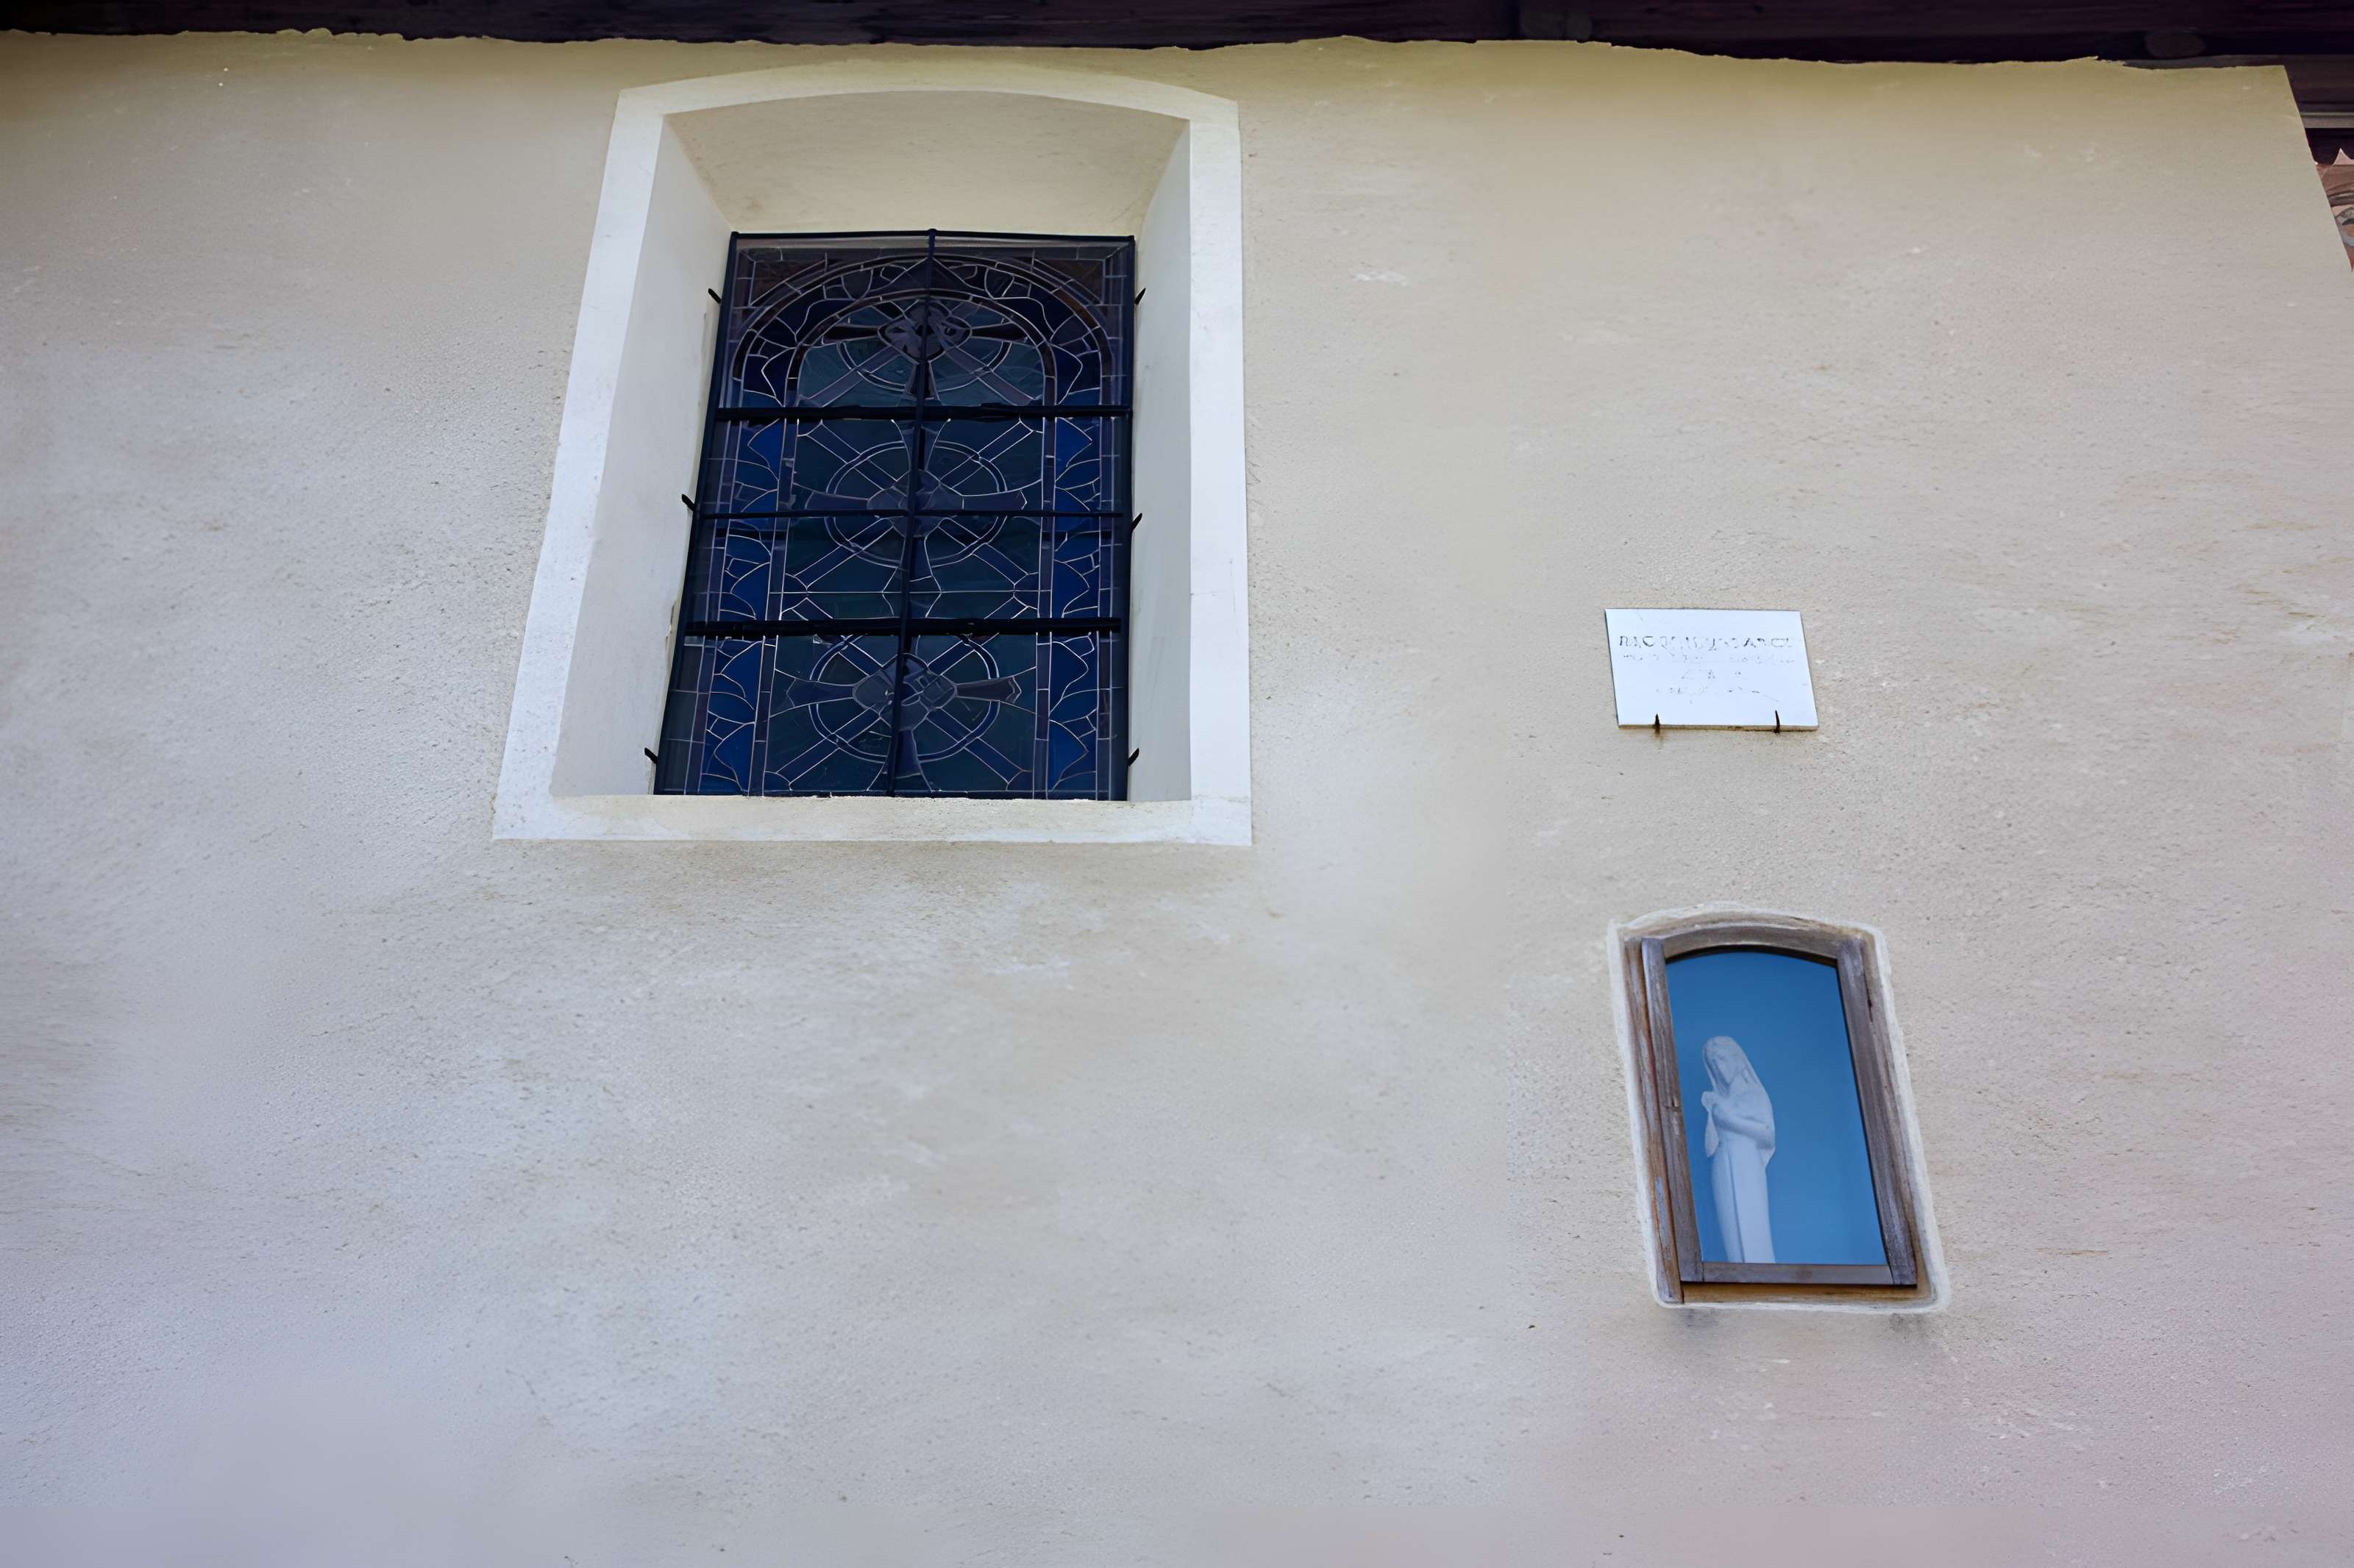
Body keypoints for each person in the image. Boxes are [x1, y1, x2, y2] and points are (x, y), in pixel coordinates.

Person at [1700, 1035, 1777, 1264]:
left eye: (1722, 1059)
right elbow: (1709, 1146)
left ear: (1737, 1060)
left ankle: (1761, 1268)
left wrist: (1729, 1119)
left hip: (1746, 1159)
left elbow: (1767, 1135)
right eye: (1714, 1063)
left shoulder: (1754, 1096)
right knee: (1730, 1224)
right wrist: (1712, 1113)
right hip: (1722, 1160)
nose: (1719, 1067)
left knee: (1751, 1217)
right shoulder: (1716, 1101)